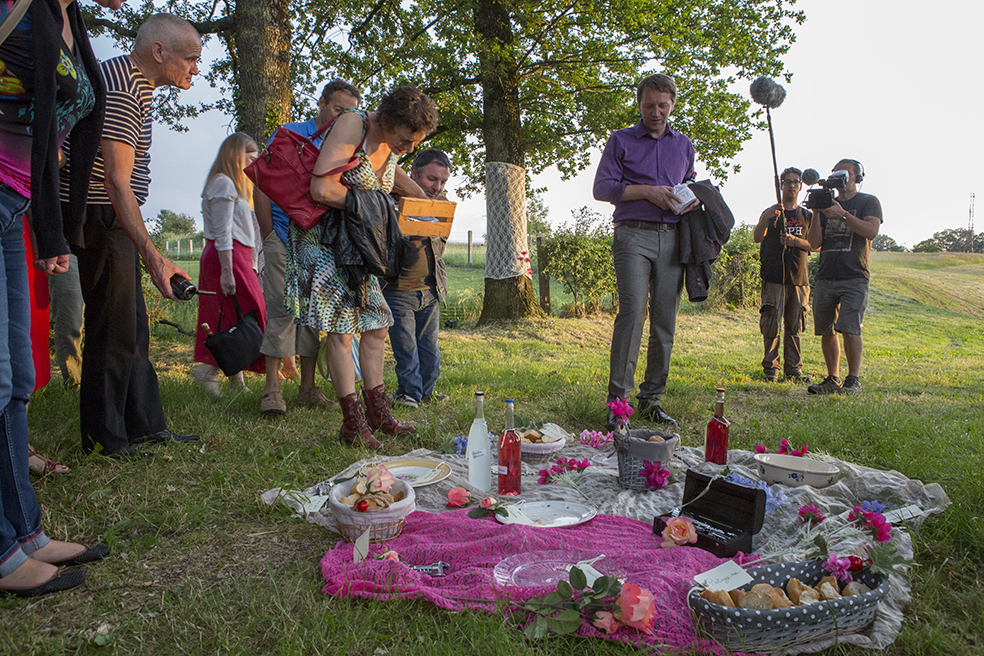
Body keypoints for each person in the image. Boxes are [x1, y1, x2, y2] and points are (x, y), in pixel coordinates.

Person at [0, 0, 123, 597]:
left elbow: (56, 125)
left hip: (16, 201)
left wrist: (53, 228)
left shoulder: (68, 17)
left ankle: (26, 534)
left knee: (19, 377)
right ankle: (3, 553)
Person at [61, 13, 202, 457]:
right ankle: (106, 439)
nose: (196, 69)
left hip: (114, 212)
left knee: (135, 326)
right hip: (103, 213)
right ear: (158, 52)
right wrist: (153, 255)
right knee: (113, 328)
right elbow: (115, 181)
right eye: (191, 59)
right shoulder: (123, 87)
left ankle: (145, 425)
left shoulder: (133, 81)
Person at [286, 85, 438, 450]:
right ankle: (352, 423)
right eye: (407, 138)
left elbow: (391, 181)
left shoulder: (390, 146)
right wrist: (377, 206)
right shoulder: (354, 124)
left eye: (416, 141)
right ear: (388, 120)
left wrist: (429, 203)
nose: (410, 147)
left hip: (360, 244)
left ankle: (379, 412)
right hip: (325, 240)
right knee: (341, 330)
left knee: (377, 325)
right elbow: (321, 188)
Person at [593, 73, 698, 432]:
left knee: (665, 319)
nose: (656, 112)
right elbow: (602, 187)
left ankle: (652, 400)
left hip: (672, 237)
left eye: (663, 106)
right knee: (633, 314)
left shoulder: (684, 145)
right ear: (639, 104)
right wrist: (647, 192)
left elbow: (690, 182)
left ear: (672, 105)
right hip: (632, 236)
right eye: (649, 105)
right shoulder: (620, 140)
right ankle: (618, 404)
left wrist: (691, 197)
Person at [255, 79, 362, 415]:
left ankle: (308, 387)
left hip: (321, 242)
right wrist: (269, 234)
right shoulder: (290, 134)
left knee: (315, 315)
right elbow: (261, 182)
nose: (341, 117)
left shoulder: (346, 148)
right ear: (321, 103)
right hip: (284, 236)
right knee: (281, 309)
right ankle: (272, 389)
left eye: (349, 113)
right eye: (337, 109)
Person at [190, 132, 267, 395]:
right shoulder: (222, 183)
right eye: (250, 157)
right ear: (236, 154)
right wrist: (226, 270)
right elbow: (222, 232)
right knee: (225, 314)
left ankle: (236, 379)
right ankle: (207, 371)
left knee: (240, 314)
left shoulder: (234, 184)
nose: (253, 163)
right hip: (227, 255)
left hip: (239, 256)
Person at [806, 159, 882, 395]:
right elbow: (814, 242)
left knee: (850, 327)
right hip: (826, 274)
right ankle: (832, 378)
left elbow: (871, 231)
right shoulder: (827, 202)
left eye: (846, 172)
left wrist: (843, 214)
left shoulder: (868, 201)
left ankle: (853, 380)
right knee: (826, 329)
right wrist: (818, 211)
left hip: (854, 275)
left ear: (857, 177)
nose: (841, 177)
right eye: (837, 172)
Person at [383, 148, 451, 408]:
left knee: (429, 348)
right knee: (406, 348)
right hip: (398, 289)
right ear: (414, 174)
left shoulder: (441, 206)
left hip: (430, 289)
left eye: (443, 181)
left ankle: (427, 391)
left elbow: (439, 247)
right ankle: (409, 393)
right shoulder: (390, 201)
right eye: (432, 179)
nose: (437, 186)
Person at [753, 167, 814, 383]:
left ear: (800, 186)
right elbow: (757, 237)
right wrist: (767, 218)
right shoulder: (771, 212)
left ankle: (793, 369)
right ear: (781, 185)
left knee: (795, 325)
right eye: (787, 181)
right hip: (773, 277)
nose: (791, 185)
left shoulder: (807, 215)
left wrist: (797, 242)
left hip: (799, 279)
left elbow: (816, 245)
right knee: (771, 324)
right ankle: (771, 369)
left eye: (795, 182)